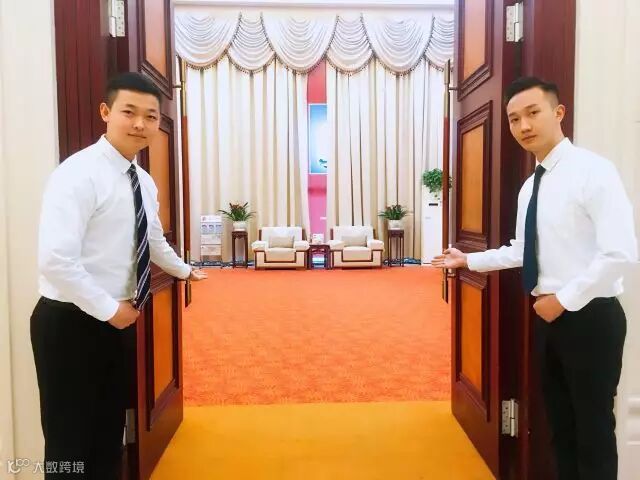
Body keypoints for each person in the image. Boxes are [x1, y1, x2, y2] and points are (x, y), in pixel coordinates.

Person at [432, 76, 637, 480]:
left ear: (558, 113)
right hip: (549, 319)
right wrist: (468, 260)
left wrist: (563, 300)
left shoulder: (594, 171)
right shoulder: (530, 186)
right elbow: (522, 251)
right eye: (514, 119)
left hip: (592, 318)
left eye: (532, 113)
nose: (523, 126)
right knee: (559, 426)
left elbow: (620, 253)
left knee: (594, 431)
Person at [31, 72, 207, 479]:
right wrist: (111, 310)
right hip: (70, 322)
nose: (140, 124)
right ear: (105, 112)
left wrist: (184, 271)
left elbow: (153, 239)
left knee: (109, 429)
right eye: (129, 112)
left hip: (116, 323)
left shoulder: (142, 180)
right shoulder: (77, 174)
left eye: (150, 116)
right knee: (69, 438)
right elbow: (55, 259)